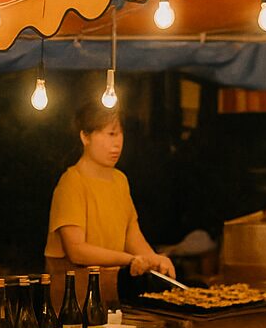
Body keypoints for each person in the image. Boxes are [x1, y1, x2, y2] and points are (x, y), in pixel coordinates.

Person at [44, 101, 175, 290]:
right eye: (110, 134)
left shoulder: (120, 180)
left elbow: (131, 233)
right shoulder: (72, 182)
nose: (117, 142)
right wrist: (130, 259)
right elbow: (77, 251)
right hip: (72, 298)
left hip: (110, 293)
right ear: (85, 137)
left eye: (120, 133)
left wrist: (153, 259)